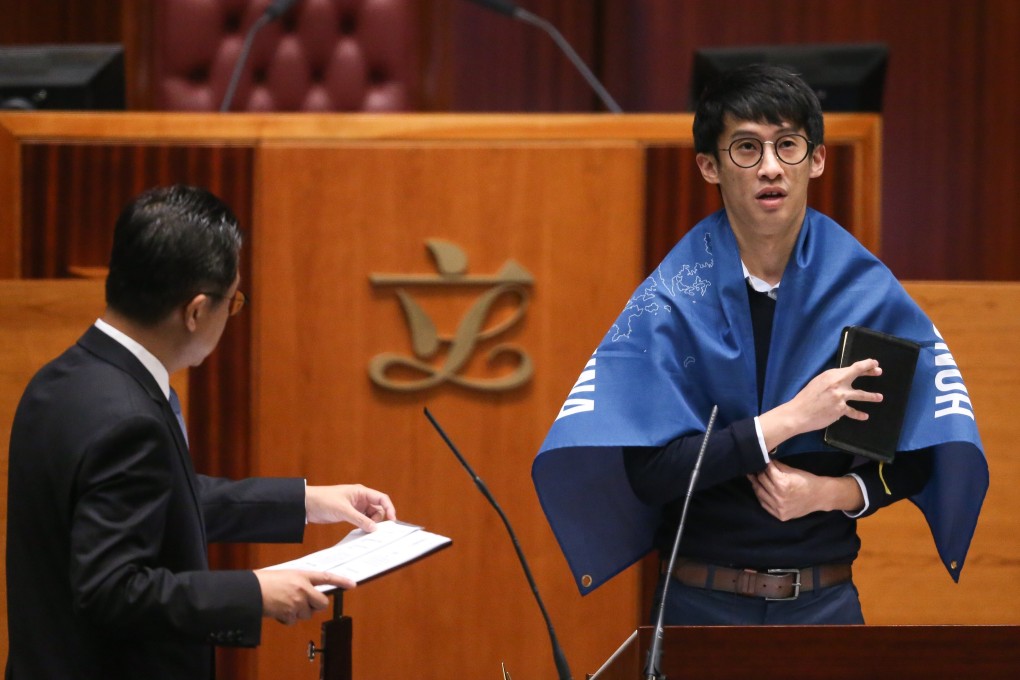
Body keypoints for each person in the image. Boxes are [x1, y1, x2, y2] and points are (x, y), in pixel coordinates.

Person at [531, 64, 986, 625]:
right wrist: (788, 421)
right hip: (699, 604)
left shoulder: (862, 293)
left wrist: (830, 493)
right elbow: (652, 474)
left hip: (825, 605)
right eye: (746, 148)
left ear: (816, 159)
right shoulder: (673, 299)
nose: (771, 167)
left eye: (788, 145)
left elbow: (913, 460)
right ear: (709, 167)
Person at [5, 185, 397, 679]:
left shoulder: (64, 379)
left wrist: (304, 501)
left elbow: (152, 505)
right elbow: (111, 591)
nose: (231, 315)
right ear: (194, 311)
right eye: (232, 302)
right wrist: (252, 593)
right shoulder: (129, 419)